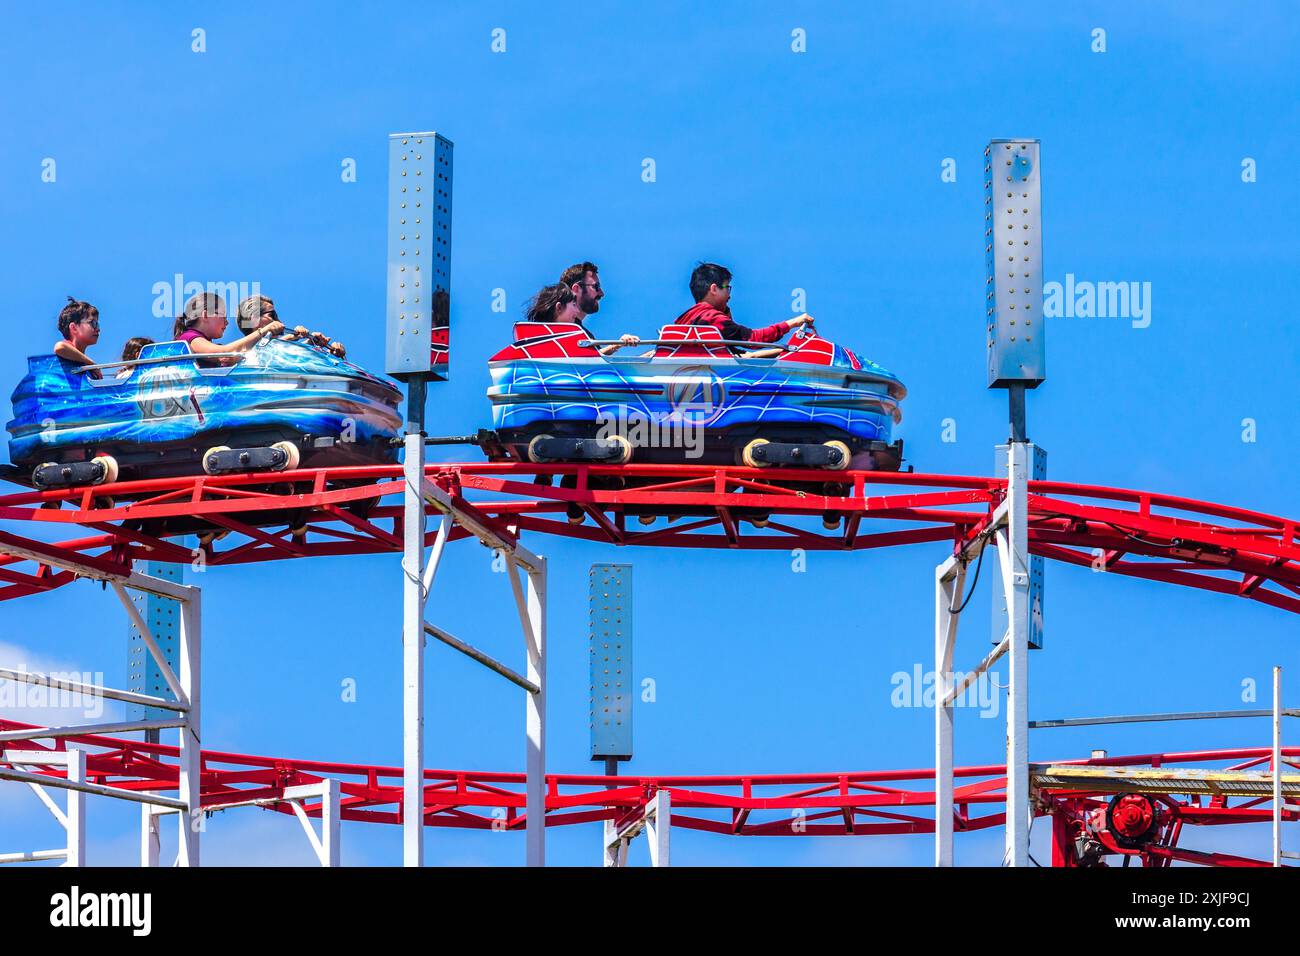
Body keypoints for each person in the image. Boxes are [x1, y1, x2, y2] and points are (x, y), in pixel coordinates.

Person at [676, 263, 813, 354]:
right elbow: (753, 339)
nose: (729, 295)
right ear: (714, 289)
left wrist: (787, 350)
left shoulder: (683, 321)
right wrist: (793, 323)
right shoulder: (713, 319)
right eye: (727, 288)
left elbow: (740, 354)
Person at [525, 281, 636, 356]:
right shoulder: (544, 342)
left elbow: (595, 358)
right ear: (559, 307)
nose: (577, 311)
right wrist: (618, 344)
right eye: (573, 305)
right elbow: (589, 360)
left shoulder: (570, 336)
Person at [174, 292, 283, 362]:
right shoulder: (189, 337)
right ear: (206, 315)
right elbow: (224, 355)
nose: (227, 323)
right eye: (223, 317)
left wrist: (288, 339)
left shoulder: (205, 343)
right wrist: (263, 331)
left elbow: (246, 356)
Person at [556, 261, 639, 354]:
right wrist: (617, 344)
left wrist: (653, 355)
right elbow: (585, 359)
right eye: (596, 286)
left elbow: (597, 362)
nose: (601, 293)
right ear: (576, 289)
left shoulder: (581, 333)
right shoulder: (558, 328)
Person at [237, 295, 346, 358]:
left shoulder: (278, 351)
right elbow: (262, 351)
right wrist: (294, 337)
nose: (280, 322)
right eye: (272, 315)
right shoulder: (240, 354)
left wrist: (327, 351)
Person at [53, 297, 102, 378]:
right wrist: (91, 363)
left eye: (97, 324)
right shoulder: (67, 347)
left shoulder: (84, 363)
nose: (98, 329)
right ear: (74, 328)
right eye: (93, 323)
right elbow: (60, 347)